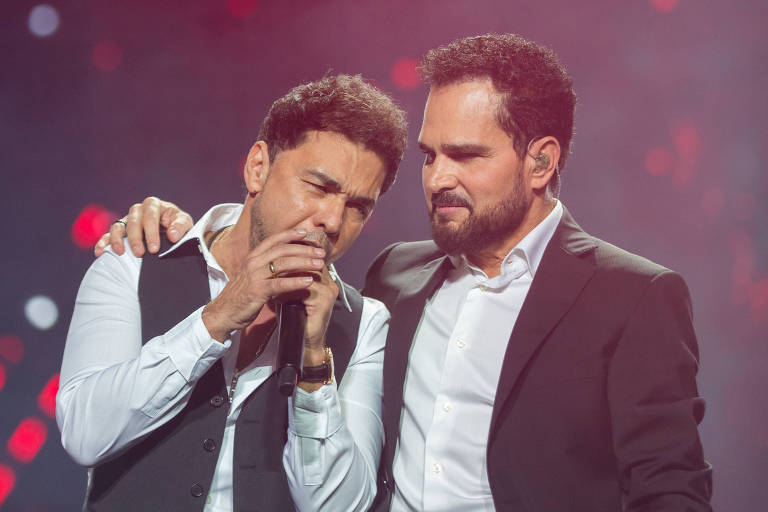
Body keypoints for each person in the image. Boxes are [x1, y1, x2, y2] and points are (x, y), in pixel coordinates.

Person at [100, 34, 712, 511]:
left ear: (540, 162)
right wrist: (182, 228)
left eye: (466, 155)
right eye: (429, 155)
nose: (438, 177)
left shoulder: (632, 295)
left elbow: (670, 492)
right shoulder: (397, 275)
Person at [57, 74, 407, 512]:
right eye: (319, 187)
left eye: (358, 207)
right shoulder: (134, 262)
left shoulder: (364, 321)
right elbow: (83, 434)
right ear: (258, 167)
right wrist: (218, 317)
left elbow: (341, 506)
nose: (333, 221)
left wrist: (314, 361)